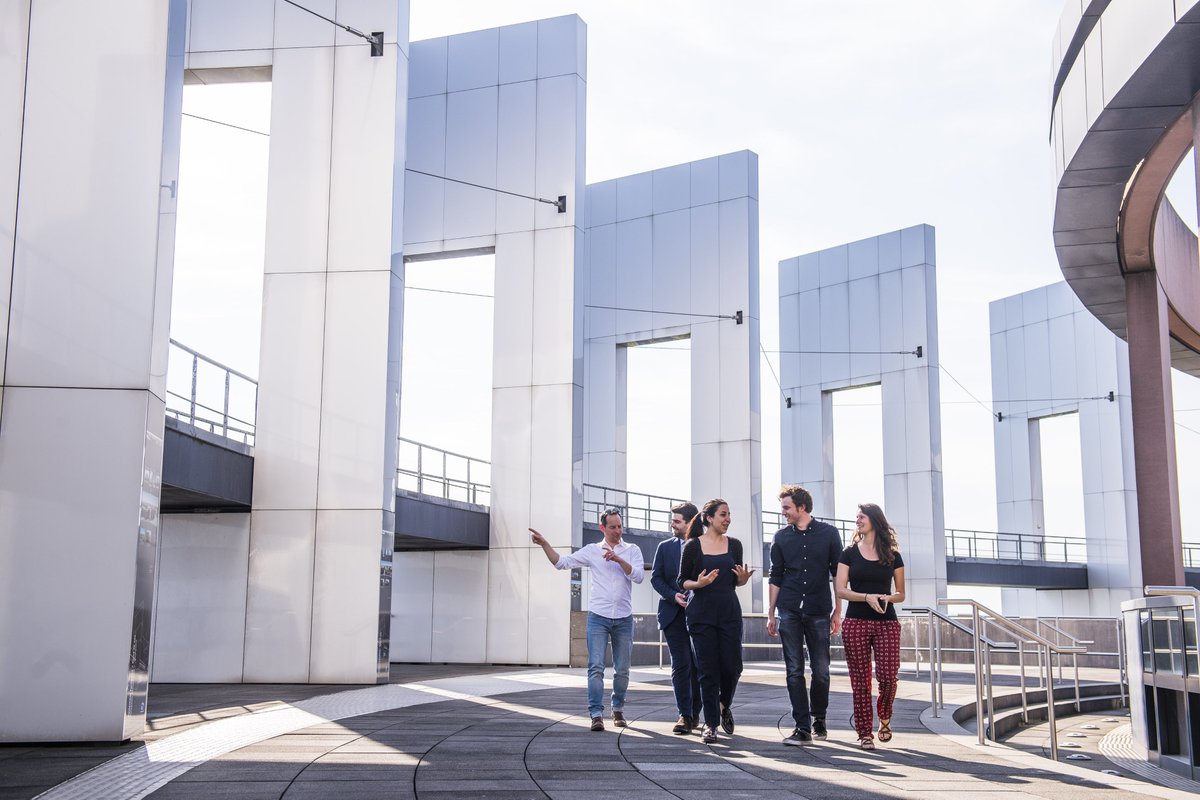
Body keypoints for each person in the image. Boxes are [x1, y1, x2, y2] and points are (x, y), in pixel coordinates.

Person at [530, 508, 644, 732]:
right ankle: (596, 713)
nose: (617, 531)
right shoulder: (592, 551)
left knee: (622, 669)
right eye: (612, 527)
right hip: (598, 618)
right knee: (596, 667)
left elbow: (639, 577)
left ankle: (617, 707)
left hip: (623, 618)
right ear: (602, 528)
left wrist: (619, 560)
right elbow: (561, 563)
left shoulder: (632, 550)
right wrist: (544, 544)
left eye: (620, 526)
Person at [767, 485, 843, 745]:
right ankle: (802, 727)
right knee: (794, 670)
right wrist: (770, 612)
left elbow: (838, 575)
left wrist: (838, 611)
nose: (783, 513)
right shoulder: (780, 537)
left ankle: (818, 717)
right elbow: (775, 575)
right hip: (788, 610)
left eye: (787, 507)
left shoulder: (830, 534)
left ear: (802, 507)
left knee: (821, 670)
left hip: (819, 609)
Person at [679, 498, 755, 743]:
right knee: (707, 671)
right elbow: (682, 581)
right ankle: (710, 724)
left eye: (729, 514)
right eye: (723, 514)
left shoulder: (734, 545)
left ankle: (723, 706)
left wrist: (743, 580)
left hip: (729, 612)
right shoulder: (692, 547)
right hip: (701, 614)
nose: (728, 519)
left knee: (733, 666)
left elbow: (737, 581)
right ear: (709, 518)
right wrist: (698, 584)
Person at [835, 503, 906, 750]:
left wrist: (887, 598)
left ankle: (884, 716)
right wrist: (866, 597)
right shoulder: (848, 553)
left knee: (888, 678)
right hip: (855, 622)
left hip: (887, 622)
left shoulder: (893, 556)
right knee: (861, 682)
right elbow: (840, 589)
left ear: (874, 520)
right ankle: (865, 732)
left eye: (861, 516)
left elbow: (901, 594)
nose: (857, 520)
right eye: (856, 517)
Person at [651, 501, 702, 734]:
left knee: (700, 666)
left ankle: (697, 712)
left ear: (690, 522)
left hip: (701, 614)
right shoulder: (664, 547)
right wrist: (674, 596)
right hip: (673, 614)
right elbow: (656, 579)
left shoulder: (703, 545)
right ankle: (684, 715)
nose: (672, 524)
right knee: (681, 664)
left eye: (677, 521)